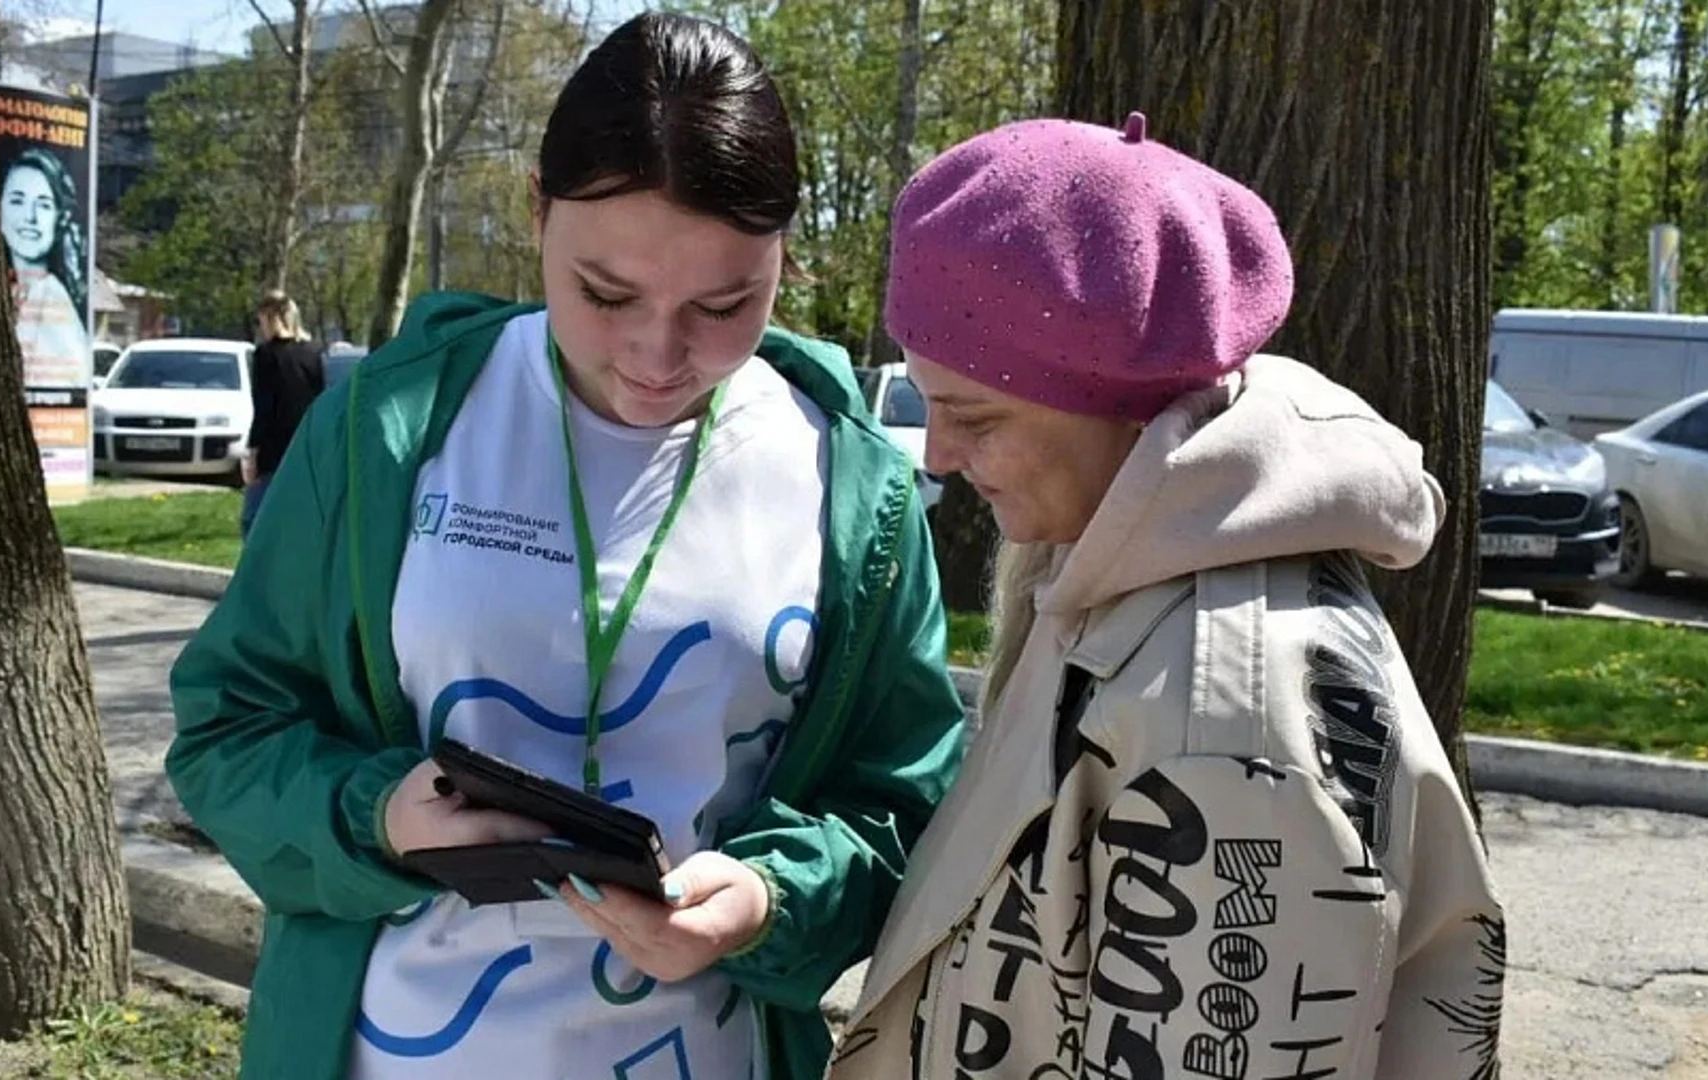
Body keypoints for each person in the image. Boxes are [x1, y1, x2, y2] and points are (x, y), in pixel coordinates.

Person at [167, 13, 967, 1080]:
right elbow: (230, 729)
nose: (657, 353)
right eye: (606, 293)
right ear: (537, 210)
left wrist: (773, 900)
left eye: (725, 303)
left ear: (787, 251)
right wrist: (376, 817)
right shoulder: (389, 433)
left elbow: (903, 805)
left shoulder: (852, 484)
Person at [829, 115, 1506, 1080]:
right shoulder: (1110, 578)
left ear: (1118, 405)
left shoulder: (1222, 729)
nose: (935, 454)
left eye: (973, 415)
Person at [0, 148, 90, 387]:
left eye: (44, 205)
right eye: (17, 201)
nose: (29, 217)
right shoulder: (12, 290)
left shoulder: (50, 297)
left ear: (60, 218)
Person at [241, 289, 324, 537]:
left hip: (273, 450)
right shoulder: (312, 354)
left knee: (253, 520)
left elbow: (264, 406)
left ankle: (256, 573)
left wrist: (252, 452)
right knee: (298, 520)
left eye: (262, 321)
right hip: (305, 448)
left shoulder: (266, 355)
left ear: (270, 317)